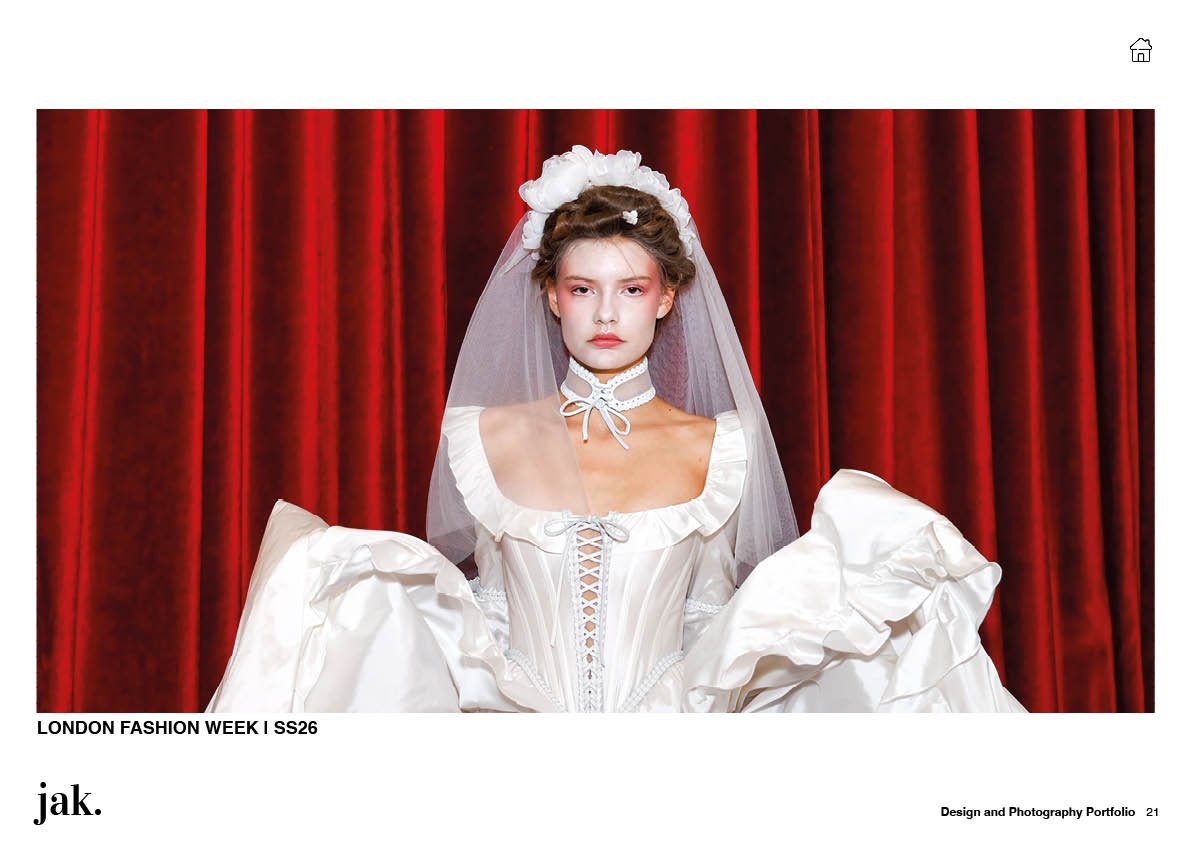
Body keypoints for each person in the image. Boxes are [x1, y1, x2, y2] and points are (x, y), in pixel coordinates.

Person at [206, 146, 1025, 713]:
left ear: (665, 298)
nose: (605, 312)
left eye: (630, 289)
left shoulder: (719, 447)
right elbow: (481, 619)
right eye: (582, 288)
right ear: (549, 295)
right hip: (507, 757)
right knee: (329, 583)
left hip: (674, 761)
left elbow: (714, 624)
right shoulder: (481, 435)